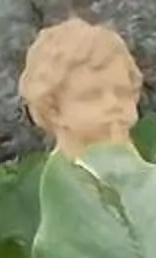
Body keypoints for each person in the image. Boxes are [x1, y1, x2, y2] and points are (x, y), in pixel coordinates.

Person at [18, 17, 141, 158]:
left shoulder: (150, 176)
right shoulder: (54, 179)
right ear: (53, 110)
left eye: (123, 93)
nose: (114, 104)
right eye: (93, 96)